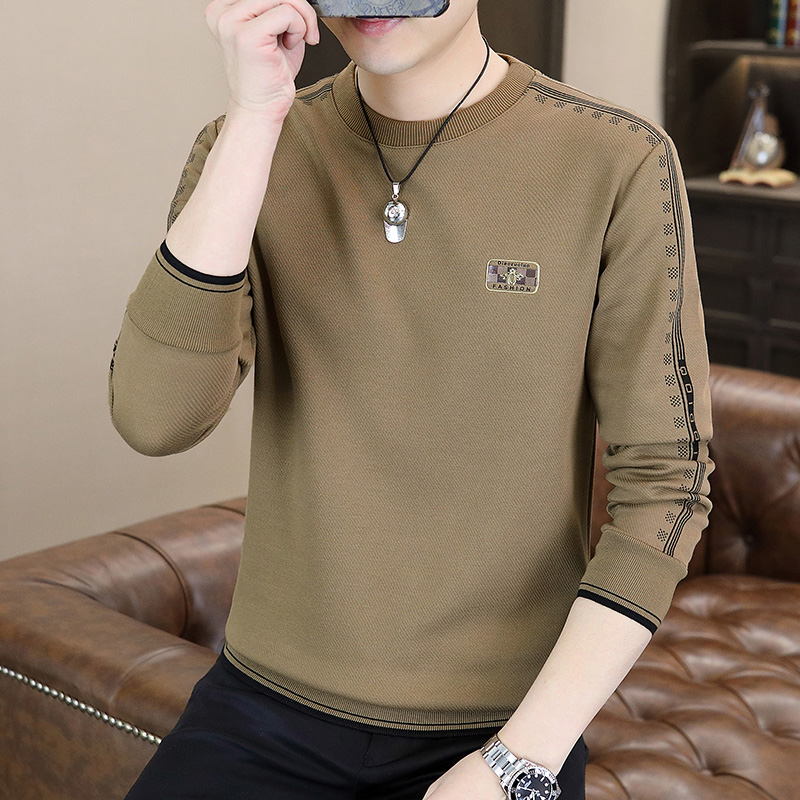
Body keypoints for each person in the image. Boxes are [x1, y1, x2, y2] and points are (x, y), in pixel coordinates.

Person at [109, 1, 714, 798]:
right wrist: (255, 118)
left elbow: (668, 483)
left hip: (502, 727)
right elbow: (154, 418)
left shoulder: (617, 159)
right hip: (263, 705)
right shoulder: (249, 147)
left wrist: (516, 761)